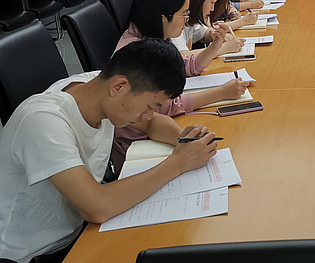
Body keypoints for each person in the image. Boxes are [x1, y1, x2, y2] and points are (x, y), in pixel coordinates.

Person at [0, 39, 218, 263]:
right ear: (119, 87)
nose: (149, 114)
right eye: (149, 106)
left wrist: (184, 141)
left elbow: (153, 123)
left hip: (79, 231)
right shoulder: (43, 120)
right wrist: (178, 163)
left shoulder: (98, 88)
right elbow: (97, 207)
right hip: (32, 254)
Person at [114, 0, 249, 169]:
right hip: (136, 148)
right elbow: (166, 107)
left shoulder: (152, 37)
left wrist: (215, 46)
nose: (187, 20)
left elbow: (187, 65)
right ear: (163, 18)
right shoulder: (138, 53)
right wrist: (221, 93)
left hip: (154, 132)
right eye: (184, 14)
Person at [170, 0, 245, 56]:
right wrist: (223, 48)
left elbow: (202, 34)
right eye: (212, 2)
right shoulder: (175, 20)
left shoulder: (191, 17)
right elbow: (183, 57)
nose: (212, 9)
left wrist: (214, 35)